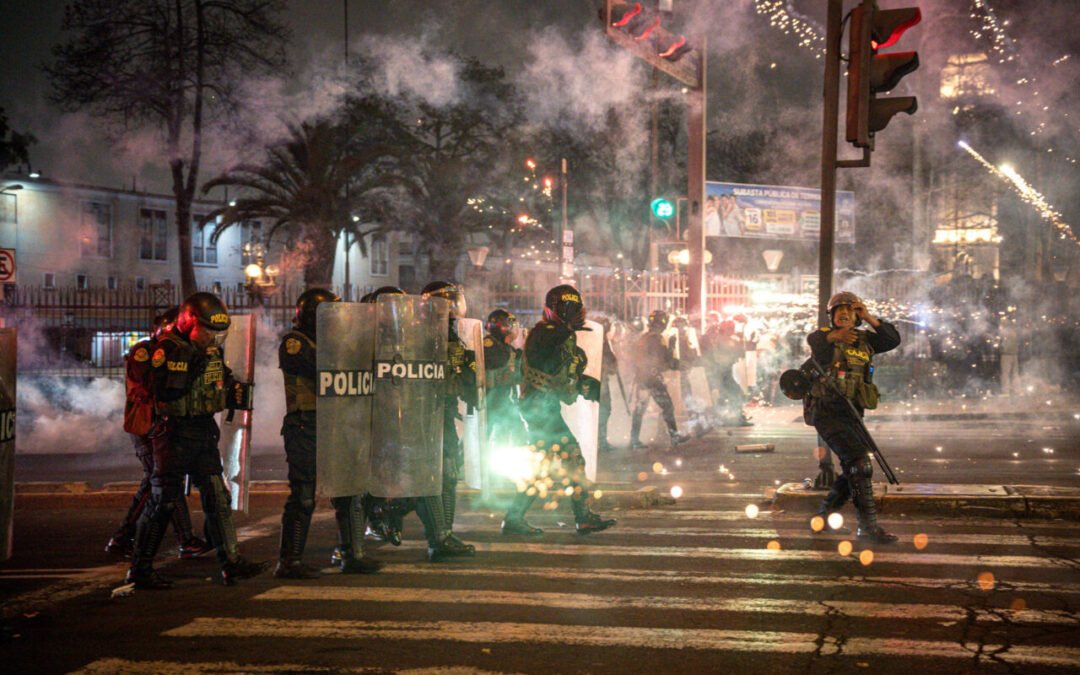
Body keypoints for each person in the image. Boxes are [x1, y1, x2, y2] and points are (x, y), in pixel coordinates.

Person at [126, 292, 269, 589]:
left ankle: (231, 564)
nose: (212, 337)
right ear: (190, 323)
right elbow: (166, 390)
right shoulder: (168, 350)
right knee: (164, 501)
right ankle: (140, 570)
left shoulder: (209, 351)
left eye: (218, 332)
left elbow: (219, 381)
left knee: (217, 497)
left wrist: (232, 390)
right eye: (207, 331)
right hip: (173, 433)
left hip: (202, 430)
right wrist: (191, 362)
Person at [277, 288, 383, 579]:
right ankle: (289, 562)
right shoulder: (295, 343)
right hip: (305, 426)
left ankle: (352, 554)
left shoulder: (335, 342)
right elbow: (323, 368)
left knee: (349, 489)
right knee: (304, 496)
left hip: (336, 424)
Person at [501, 284, 616, 536]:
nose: (573, 313)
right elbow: (554, 365)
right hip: (539, 407)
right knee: (570, 458)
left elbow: (561, 377)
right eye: (567, 308)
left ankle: (516, 518)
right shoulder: (549, 333)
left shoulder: (555, 334)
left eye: (574, 308)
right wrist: (570, 338)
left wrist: (583, 382)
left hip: (542, 406)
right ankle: (580, 518)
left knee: (544, 466)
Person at [106, 308, 212, 561]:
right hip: (147, 424)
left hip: (164, 426)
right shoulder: (145, 351)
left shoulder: (180, 351)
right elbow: (154, 386)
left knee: (164, 481)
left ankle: (179, 540)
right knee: (159, 481)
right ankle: (127, 538)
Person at [805, 291, 900, 544]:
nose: (844, 314)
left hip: (852, 413)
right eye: (839, 311)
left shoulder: (864, 339)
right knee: (860, 463)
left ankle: (822, 520)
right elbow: (814, 339)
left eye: (850, 310)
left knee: (853, 467)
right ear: (832, 316)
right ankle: (867, 528)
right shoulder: (825, 340)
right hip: (828, 412)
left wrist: (868, 316)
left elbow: (892, 339)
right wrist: (833, 336)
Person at [418, 281, 477, 560]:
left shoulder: (452, 335)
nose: (455, 307)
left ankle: (445, 534)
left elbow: (460, 373)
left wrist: (469, 374)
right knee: (434, 475)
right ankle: (438, 538)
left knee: (450, 475)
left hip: (445, 410)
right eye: (450, 301)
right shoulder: (421, 335)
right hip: (426, 414)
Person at [629, 310, 689, 449]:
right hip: (653, 379)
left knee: (640, 410)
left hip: (643, 378)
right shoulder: (656, 338)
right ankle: (674, 436)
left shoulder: (643, 338)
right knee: (667, 407)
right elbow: (664, 360)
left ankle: (634, 439)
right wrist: (672, 347)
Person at [484, 309, 525, 449]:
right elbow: (500, 362)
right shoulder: (489, 345)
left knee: (518, 434)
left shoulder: (505, 347)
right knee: (483, 438)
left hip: (504, 402)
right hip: (490, 403)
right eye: (510, 324)